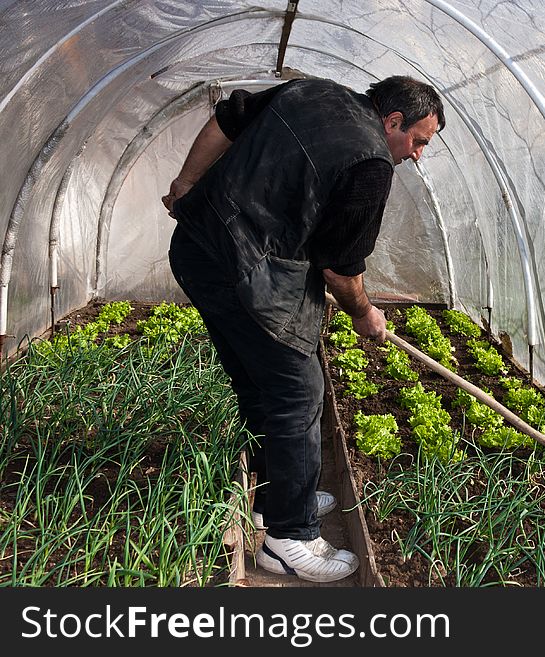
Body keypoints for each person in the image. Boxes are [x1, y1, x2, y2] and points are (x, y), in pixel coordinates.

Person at [161, 75, 444, 582]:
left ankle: (277, 496)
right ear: (393, 121)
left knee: (259, 379)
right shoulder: (372, 161)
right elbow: (339, 268)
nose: (417, 155)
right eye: (418, 141)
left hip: (199, 248)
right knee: (298, 389)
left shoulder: (313, 90)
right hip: (246, 269)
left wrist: (186, 181)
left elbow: (226, 121)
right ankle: (288, 537)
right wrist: (364, 313)